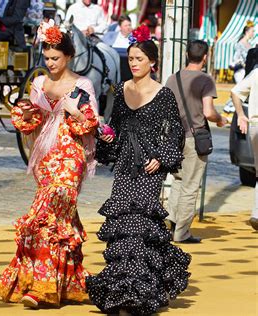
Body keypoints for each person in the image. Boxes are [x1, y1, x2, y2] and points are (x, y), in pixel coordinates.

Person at [0, 20, 99, 308]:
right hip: (45, 155)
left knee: (48, 212)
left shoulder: (83, 84)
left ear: (68, 57)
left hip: (71, 156)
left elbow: (92, 125)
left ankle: (42, 287)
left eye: (56, 58)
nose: (50, 63)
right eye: (47, 58)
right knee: (57, 219)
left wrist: (75, 111)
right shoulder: (39, 83)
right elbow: (34, 119)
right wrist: (26, 117)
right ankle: (68, 281)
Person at [86, 24, 191, 315]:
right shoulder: (121, 91)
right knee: (125, 225)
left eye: (139, 59)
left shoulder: (164, 94)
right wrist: (106, 136)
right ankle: (125, 289)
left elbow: (175, 134)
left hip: (149, 167)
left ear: (152, 62)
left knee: (139, 225)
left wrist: (161, 157)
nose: (133, 64)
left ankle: (137, 292)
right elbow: (115, 127)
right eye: (130, 59)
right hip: (124, 165)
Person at [165, 40, 228, 243]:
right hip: (195, 138)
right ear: (205, 57)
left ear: (186, 54)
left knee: (178, 180)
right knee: (191, 186)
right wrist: (220, 119)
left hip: (174, 137)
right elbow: (208, 112)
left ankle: (171, 222)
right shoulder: (205, 80)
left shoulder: (172, 78)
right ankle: (182, 232)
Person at [230, 48, 258, 230]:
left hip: (255, 125)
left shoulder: (256, 73)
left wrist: (241, 115)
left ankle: (256, 213)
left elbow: (235, 92)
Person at [103, 15, 133, 81]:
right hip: (111, 68)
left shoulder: (135, 38)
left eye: (129, 25)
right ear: (120, 27)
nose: (128, 27)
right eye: (126, 25)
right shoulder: (110, 35)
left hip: (128, 70)